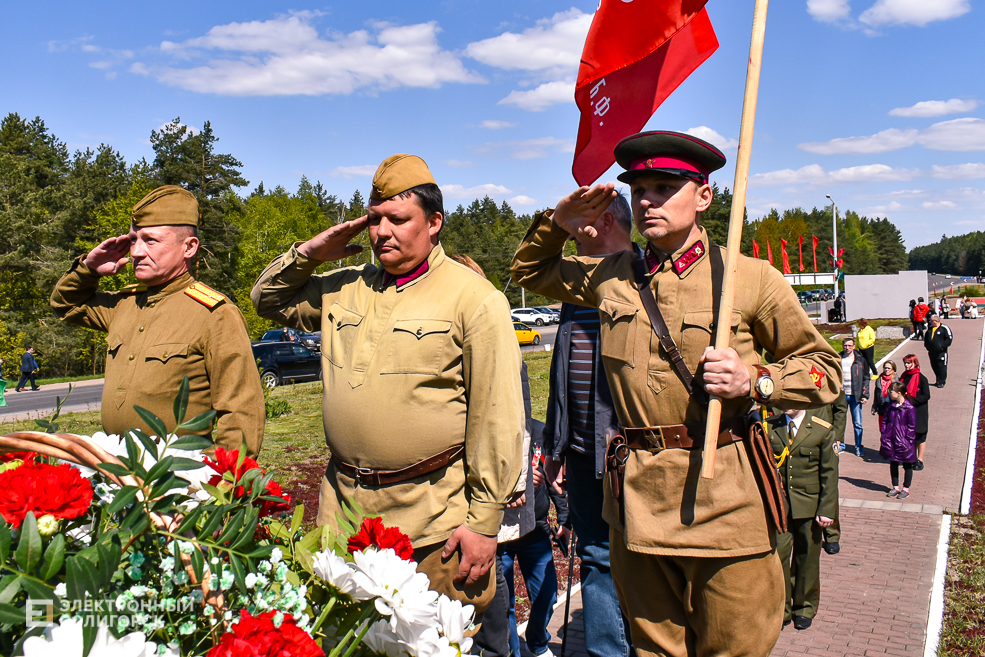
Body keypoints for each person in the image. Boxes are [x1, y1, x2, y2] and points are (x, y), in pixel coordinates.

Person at [510, 130, 842, 657]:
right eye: (639, 190)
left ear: (704, 196)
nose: (647, 201)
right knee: (654, 651)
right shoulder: (614, 278)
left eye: (665, 187)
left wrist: (757, 381)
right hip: (640, 503)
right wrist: (558, 223)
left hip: (726, 500)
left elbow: (826, 371)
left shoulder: (749, 278)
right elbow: (527, 272)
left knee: (734, 647)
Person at [251, 154, 523, 610]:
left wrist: (484, 522)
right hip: (345, 518)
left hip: (434, 522)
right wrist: (311, 252)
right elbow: (267, 300)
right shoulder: (345, 286)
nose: (381, 232)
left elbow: (497, 417)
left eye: (398, 219)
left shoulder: (474, 298)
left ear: (434, 222)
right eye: (374, 219)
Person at [50, 186, 265, 452]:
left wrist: (217, 482)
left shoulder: (216, 314)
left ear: (189, 247)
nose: (136, 251)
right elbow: (65, 304)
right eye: (132, 240)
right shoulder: (125, 303)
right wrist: (89, 270)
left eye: (150, 241)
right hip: (113, 467)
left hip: (178, 477)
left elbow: (241, 412)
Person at [541, 192, 637, 657]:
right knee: (597, 557)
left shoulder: (646, 277)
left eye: (580, 224)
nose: (574, 232)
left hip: (632, 455)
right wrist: (555, 447)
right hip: (580, 456)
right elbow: (563, 371)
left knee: (641, 558)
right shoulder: (577, 286)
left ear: (602, 223)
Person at [768, 399, 842, 631]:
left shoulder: (822, 429)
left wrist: (826, 510)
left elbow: (829, 475)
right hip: (780, 507)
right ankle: (782, 609)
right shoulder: (771, 427)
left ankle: (804, 607)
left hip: (809, 507)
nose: (786, 405)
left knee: (807, 558)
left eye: (792, 400)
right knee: (778, 557)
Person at [881, 382, 918, 499]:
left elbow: (912, 426)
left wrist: (907, 441)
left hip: (904, 442)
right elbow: (885, 420)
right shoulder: (890, 406)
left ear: (899, 393)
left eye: (891, 391)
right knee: (893, 463)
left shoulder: (909, 408)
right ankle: (895, 487)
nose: (889, 393)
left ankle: (906, 488)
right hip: (891, 440)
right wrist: (884, 434)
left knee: (907, 465)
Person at [900, 354, 931, 471]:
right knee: (909, 435)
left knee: (920, 435)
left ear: (915, 363)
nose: (906, 365)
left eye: (909, 363)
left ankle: (920, 459)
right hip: (906, 411)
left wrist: (912, 401)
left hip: (919, 411)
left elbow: (926, 395)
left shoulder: (921, 378)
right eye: (905, 363)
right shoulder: (904, 377)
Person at [840, 337, 870, 456]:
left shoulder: (860, 360)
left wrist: (865, 394)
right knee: (841, 422)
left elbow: (866, 378)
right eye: (845, 345)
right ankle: (841, 445)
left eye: (850, 346)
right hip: (842, 395)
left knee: (857, 423)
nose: (847, 348)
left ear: (854, 346)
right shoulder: (838, 358)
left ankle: (858, 446)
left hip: (855, 395)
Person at [923, 313, 953, 388]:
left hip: (941, 352)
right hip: (932, 352)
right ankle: (938, 380)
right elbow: (926, 338)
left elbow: (949, 338)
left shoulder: (944, 328)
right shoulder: (930, 329)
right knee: (934, 366)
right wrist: (927, 346)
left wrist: (943, 346)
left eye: (932, 321)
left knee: (941, 367)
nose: (931, 322)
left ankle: (941, 381)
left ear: (936, 321)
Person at [871, 361, 899, 432]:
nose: (886, 370)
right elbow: (876, 393)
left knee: (892, 429)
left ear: (893, 369)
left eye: (889, 368)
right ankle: (883, 443)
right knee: (882, 429)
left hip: (892, 406)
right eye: (885, 368)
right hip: (882, 406)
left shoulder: (896, 380)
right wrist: (874, 407)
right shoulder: (879, 379)